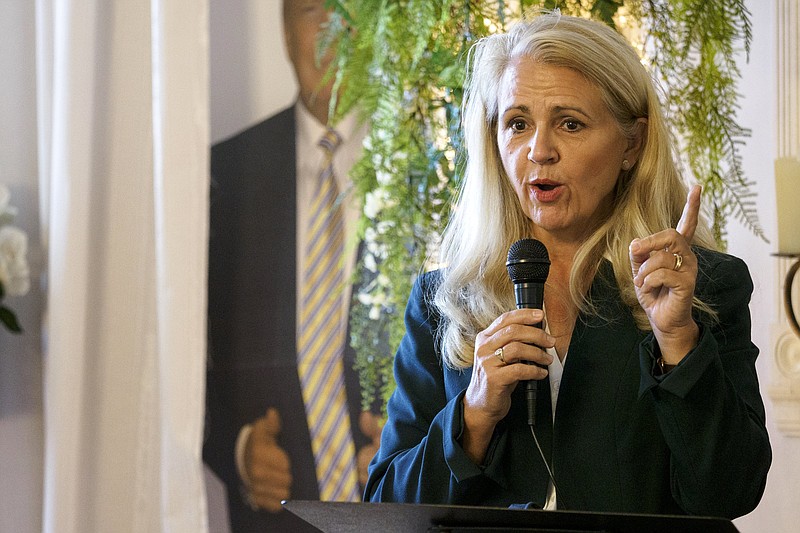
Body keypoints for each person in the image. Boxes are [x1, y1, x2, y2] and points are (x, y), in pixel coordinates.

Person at [365, 11, 771, 519]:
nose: (539, 151)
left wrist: (679, 342)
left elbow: (730, 493)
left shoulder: (702, 288)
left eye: (570, 123)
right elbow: (385, 507)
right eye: (517, 123)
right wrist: (472, 416)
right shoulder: (443, 303)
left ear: (632, 143)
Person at [204, 1, 381, 531]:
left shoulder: (435, 162)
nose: (334, 29)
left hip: (404, 511)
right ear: (284, 32)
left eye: (352, 9)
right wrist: (234, 450)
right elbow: (182, 357)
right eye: (312, 11)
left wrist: (424, 444)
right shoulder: (224, 175)